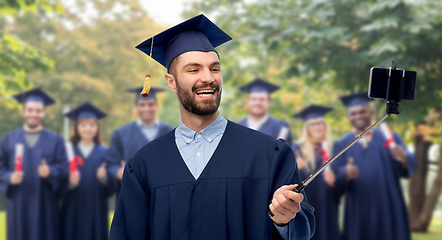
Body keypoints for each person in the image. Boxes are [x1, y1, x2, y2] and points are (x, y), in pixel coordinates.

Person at [109, 14, 315, 240]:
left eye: (215, 68)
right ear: (171, 82)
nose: (208, 78)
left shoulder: (269, 154)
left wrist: (284, 219)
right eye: (193, 70)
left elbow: (302, 231)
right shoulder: (144, 165)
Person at [331, 92, 417, 240]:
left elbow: (408, 163)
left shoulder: (389, 137)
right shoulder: (341, 144)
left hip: (388, 203)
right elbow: (335, 176)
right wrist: (345, 172)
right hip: (358, 206)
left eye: (362, 111)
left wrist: (403, 158)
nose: (358, 116)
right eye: (354, 113)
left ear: (370, 112)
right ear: (349, 117)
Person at [0, 88, 68, 240]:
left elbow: (64, 167)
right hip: (19, 205)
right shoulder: (8, 139)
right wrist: (9, 177)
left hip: (45, 206)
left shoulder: (55, 140)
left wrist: (51, 172)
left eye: (38, 111)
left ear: (44, 113)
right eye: (30, 110)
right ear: (23, 111)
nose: (34, 114)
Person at [105, 87, 173, 195]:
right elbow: (111, 164)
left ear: (157, 106)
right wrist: (119, 172)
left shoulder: (170, 133)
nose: (146, 108)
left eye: (150, 104)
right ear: (136, 107)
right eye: (142, 105)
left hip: (162, 193)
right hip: (130, 193)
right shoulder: (121, 134)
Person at [61, 102, 112, 240]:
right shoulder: (67, 153)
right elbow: (57, 187)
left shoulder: (105, 153)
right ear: (76, 128)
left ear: (97, 128)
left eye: (92, 125)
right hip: (72, 211)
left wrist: (104, 178)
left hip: (96, 210)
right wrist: (70, 183)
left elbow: (111, 188)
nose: (87, 129)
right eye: (83, 125)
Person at [291, 105, 341, 240]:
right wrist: (296, 167)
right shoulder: (297, 149)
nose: (317, 127)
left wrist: (334, 182)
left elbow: (342, 183)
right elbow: (289, 180)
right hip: (305, 202)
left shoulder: (334, 148)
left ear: (325, 126)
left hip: (327, 205)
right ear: (307, 128)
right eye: (312, 124)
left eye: (319, 123)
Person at [238, 78, 292, 143]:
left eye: (262, 99)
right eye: (253, 99)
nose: (257, 103)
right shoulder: (237, 127)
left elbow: (285, 152)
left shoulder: (280, 128)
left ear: (269, 102)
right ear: (247, 102)